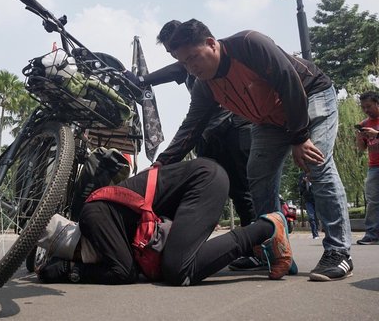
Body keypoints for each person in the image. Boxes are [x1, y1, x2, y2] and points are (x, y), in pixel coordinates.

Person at [153, 19, 352, 281]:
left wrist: (300, 137)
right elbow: (191, 128)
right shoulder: (204, 86)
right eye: (185, 63)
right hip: (269, 120)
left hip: (309, 95)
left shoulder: (249, 44)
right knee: (257, 177)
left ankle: (339, 252)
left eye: (194, 58)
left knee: (317, 164)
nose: (192, 68)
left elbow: (289, 82)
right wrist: (162, 163)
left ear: (212, 44)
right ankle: (272, 251)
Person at [35, 158, 296, 285]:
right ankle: (264, 244)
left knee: (178, 270)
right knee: (177, 262)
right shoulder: (101, 218)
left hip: (203, 182)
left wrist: (69, 272)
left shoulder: (92, 215)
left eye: (79, 257)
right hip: (201, 180)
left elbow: (122, 272)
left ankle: (268, 227)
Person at [125, 20, 256, 227]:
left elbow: (176, 71)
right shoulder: (191, 66)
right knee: (207, 187)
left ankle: (262, 249)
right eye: (172, 53)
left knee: (244, 191)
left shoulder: (198, 57)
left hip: (233, 127)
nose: (177, 58)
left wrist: (143, 80)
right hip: (207, 134)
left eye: (177, 52)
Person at [355, 90, 379, 245]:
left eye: (369, 106)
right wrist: (359, 137)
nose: (366, 110)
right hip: (373, 166)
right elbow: (362, 148)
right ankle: (371, 234)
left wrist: (376, 134)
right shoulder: (364, 124)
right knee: (372, 201)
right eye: (363, 107)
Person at [298, 173, 319, 239]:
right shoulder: (302, 176)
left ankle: (317, 230)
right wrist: (304, 182)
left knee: (317, 217)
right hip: (308, 201)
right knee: (311, 217)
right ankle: (315, 234)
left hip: (317, 200)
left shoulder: (314, 173)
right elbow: (301, 191)